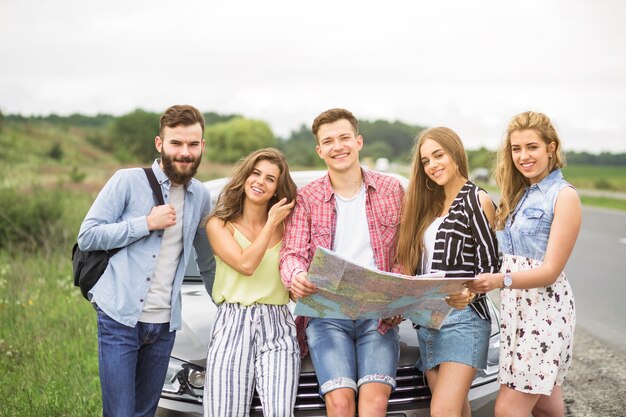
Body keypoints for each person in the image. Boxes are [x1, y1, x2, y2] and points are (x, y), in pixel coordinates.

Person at [77, 105, 215, 417]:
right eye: (176, 143)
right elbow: (88, 236)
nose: (185, 152)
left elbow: (207, 264)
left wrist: (229, 307)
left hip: (165, 325)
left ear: (202, 146)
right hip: (120, 318)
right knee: (121, 413)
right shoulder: (126, 181)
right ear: (159, 144)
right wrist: (146, 223)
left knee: (145, 413)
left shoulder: (201, 196)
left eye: (193, 144)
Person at [280, 108, 404, 417]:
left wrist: (398, 294)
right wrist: (295, 276)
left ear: (359, 141)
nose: (338, 146)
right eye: (329, 141)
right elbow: (291, 253)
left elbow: (406, 253)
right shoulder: (306, 197)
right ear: (319, 150)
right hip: (326, 314)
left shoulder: (392, 190)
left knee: (375, 404)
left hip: (378, 313)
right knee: (339, 403)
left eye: (345, 137)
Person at [466, 111, 580, 417]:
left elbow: (550, 271)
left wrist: (497, 281)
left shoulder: (563, 196)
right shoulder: (518, 195)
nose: (523, 156)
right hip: (517, 310)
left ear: (551, 148)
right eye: (516, 148)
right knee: (546, 406)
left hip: (545, 312)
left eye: (532, 147)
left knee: (507, 409)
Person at [395, 127, 500, 417]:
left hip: (463, 321)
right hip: (427, 322)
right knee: (457, 412)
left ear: (455, 153)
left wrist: (467, 292)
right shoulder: (429, 207)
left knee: (442, 411)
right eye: (426, 160)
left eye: (438, 155)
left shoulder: (477, 200)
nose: (432, 165)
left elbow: (490, 266)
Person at [203, 148, 300, 417]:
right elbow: (246, 264)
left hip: (278, 325)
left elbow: (292, 287)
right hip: (233, 323)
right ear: (245, 177)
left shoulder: (288, 228)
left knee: (280, 413)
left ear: (277, 189)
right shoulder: (219, 224)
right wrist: (270, 223)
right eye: (255, 174)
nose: (260, 181)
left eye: (270, 178)